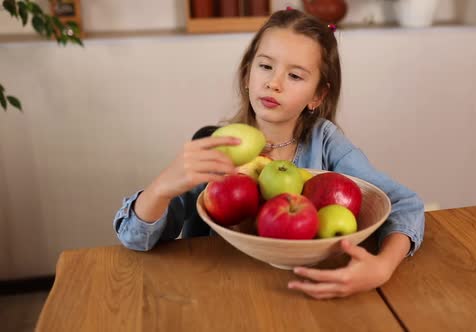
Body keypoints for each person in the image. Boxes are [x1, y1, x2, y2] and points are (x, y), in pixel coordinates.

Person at [113, 8, 424, 300]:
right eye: (265, 66)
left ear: (317, 94)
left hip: (303, 291)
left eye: (295, 76)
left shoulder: (324, 143)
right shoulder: (217, 146)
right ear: (248, 75)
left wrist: (382, 267)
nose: (273, 83)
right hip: (221, 290)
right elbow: (136, 239)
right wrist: (161, 188)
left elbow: (404, 203)